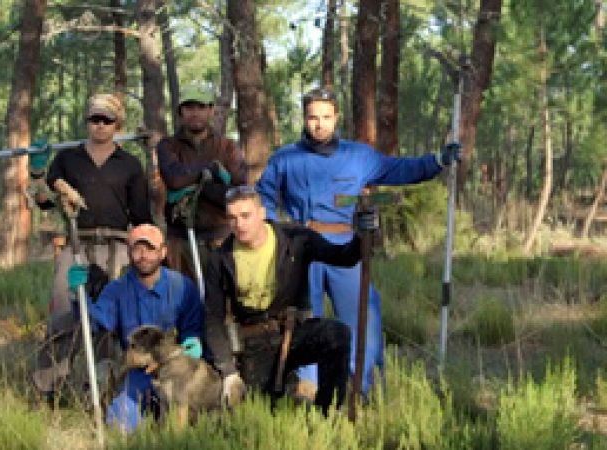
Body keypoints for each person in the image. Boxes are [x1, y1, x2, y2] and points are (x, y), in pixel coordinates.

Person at [256, 87, 461, 396]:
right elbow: (264, 200)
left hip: (344, 246)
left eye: (326, 117)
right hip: (300, 248)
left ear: (337, 117)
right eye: (313, 117)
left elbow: (401, 169)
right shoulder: (285, 159)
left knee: (362, 315)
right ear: (304, 118)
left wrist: (438, 160)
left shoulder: (359, 156)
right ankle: (306, 390)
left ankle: (359, 387)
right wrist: (277, 236)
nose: (319, 124)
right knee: (304, 319)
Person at [202, 186, 378, 414]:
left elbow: (343, 257)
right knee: (264, 409)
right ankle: (290, 393)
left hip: (294, 331)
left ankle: (327, 413)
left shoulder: (296, 238)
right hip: (255, 342)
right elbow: (213, 318)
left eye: (246, 216)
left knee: (336, 335)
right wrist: (228, 371)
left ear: (262, 213)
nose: (240, 224)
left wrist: (363, 235)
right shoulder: (220, 258)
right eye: (233, 218)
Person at [28, 93, 153, 317]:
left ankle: (110, 352)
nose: (100, 125)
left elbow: (141, 216)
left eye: (107, 120)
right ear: (87, 121)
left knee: (122, 312)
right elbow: (45, 201)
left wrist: (146, 250)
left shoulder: (130, 165)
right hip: (77, 243)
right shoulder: (67, 159)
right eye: (95, 119)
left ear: (117, 124)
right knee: (63, 306)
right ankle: (63, 351)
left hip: (119, 246)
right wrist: (37, 173)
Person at [83, 224, 203, 432]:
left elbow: (193, 329)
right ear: (129, 252)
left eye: (150, 248)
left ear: (163, 251)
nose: (143, 255)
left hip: (178, 370)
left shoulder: (182, 286)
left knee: (192, 424)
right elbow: (98, 322)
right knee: (120, 425)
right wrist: (79, 297)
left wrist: (192, 343)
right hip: (138, 374)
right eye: (137, 249)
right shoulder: (117, 289)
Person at [156, 83, 247, 283]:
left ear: (211, 110)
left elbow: (238, 195)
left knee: (222, 303)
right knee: (181, 304)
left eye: (200, 107)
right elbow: (174, 179)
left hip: (220, 238)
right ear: (180, 112)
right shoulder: (168, 145)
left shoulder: (227, 147)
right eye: (189, 108)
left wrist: (200, 186)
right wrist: (208, 170)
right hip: (179, 242)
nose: (195, 113)